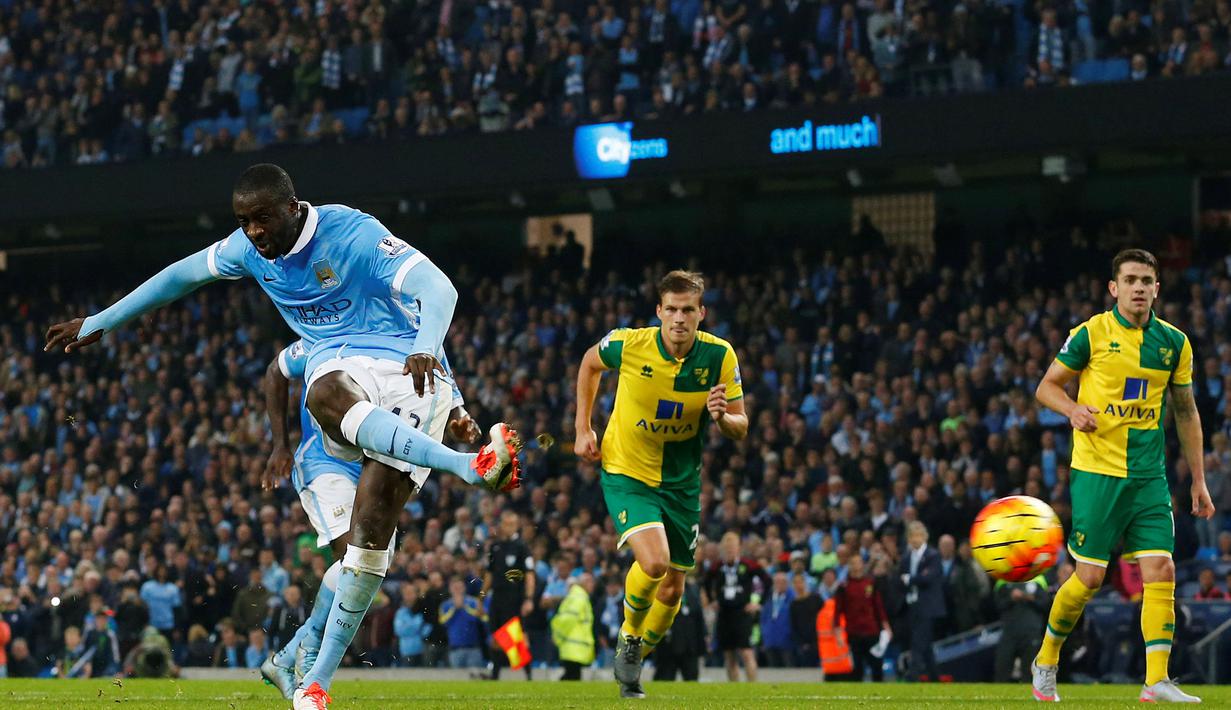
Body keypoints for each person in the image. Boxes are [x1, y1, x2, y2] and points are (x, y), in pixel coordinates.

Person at [43, 163, 523, 710]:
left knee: (367, 556)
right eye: (243, 222)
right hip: (337, 381)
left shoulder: (353, 233)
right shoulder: (250, 255)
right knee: (324, 394)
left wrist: (443, 378)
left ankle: (309, 678)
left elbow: (437, 287)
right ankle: (467, 467)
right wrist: (101, 320)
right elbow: (180, 275)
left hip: (403, 370)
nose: (252, 233)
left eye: (262, 219)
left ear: (292, 208)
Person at [1031, 249, 1215, 704]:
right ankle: (1047, 659)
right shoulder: (1091, 334)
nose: (1138, 287)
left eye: (1146, 280)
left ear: (1157, 288)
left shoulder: (1174, 343)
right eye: (1129, 279)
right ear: (1114, 288)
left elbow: (1187, 411)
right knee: (1090, 579)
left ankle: (1156, 680)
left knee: (1162, 568)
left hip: (1148, 475)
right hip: (1097, 472)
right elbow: (1045, 387)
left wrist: (1198, 479)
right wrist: (1073, 410)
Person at [259, 338, 477, 698]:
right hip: (323, 463)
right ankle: (307, 654)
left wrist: (459, 417)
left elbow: (445, 385)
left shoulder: (420, 337)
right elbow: (275, 372)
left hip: (374, 459)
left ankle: (288, 657)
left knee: (372, 560)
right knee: (355, 558)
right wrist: (280, 444)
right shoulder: (328, 334)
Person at [574, 269, 748, 698]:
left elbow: (741, 426)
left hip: (682, 484)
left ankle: (634, 661)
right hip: (627, 470)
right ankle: (630, 637)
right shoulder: (630, 344)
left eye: (688, 310)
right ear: (658, 312)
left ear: (701, 313)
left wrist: (722, 416)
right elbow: (589, 362)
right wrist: (583, 427)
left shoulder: (720, 357)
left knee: (673, 588)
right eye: (671, 309)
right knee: (654, 564)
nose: (679, 319)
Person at [704, 532, 770, 682]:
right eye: (727, 548)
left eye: (732, 548)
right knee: (729, 654)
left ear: (738, 548)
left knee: (746, 652)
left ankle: (752, 687)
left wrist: (758, 603)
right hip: (724, 613)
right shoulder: (717, 567)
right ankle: (735, 688)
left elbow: (767, 581)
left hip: (742, 613)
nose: (730, 551)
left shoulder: (748, 565)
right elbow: (706, 582)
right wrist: (712, 600)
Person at [482, 510, 536, 679]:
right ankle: (494, 676)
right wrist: (482, 595)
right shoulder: (495, 547)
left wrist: (528, 599)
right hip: (497, 598)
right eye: (505, 524)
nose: (508, 527)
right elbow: (489, 574)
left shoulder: (521, 547)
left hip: (515, 599)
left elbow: (529, 574)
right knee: (496, 637)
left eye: (512, 524)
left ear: (517, 526)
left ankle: (528, 676)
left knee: (518, 637)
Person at [899, 520, 944, 681]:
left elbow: (928, 578)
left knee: (918, 641)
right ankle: (935, 678)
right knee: (925, 645)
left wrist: (910, 579)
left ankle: (913, 675)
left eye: (918, 535)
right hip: (912, 604)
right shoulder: (906, 557)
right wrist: (913, 579)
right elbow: (902, 578)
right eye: (912, 536)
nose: (915, 539)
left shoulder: (933, 555)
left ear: (925, 537)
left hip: (928, 606)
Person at [833, 555, 890, 681]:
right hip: (854, 632)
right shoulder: (843, 586)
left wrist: (886, 627)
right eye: (853, 563)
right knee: (857, 667)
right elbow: (837, 611)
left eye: (858, 562)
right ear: (849, 566)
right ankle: (858, 696)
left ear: (862, 565)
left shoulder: (870, 583)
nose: (856, 566)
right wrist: (837, 632)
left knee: (876, 665)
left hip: (872, 630)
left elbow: (878, 606)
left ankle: (879, 695)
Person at [994, 575, 1049, 682]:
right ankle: (999, 697)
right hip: (1009, 632)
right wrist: (1011, 598)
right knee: (1002, 670)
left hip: (1031, 632)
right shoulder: (1003, 579)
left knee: (1030, 673)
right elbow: (996, 605)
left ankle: (1029, 697)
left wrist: (1028, 597)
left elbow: (1045, 604)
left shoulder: (1038, 578)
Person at [652, 576, 706, 680]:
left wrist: (702, 640)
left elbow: (698, 617)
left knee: (691, 679)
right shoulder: (661, 589)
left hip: (689, 645)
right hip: (668, 644)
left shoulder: (692, 590)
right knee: (664, 678)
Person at [550, 573, 596, 680]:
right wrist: (559, 637)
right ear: (583, 583)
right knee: (572, 676)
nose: (593, 585)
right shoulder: (579, 597)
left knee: (572, 675)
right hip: (574, 646)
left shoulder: (577, 596)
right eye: (590, 582)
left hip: (572, 646)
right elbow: (568, 619)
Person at [439, 577, 485, 669]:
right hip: (455, 649)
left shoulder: (474, 602)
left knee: (475, 679)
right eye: (455, 588)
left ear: (464, 588)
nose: (457, 590)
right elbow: (443, 622)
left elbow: (481, 618)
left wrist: (464, 607)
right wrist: (454, 609)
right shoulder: (445, 605)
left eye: (459, 588)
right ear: (450, 589)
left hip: (473, 648)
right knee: (457, 680)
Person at [759, 572, 795, 668]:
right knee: (773, 670)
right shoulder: (768, 598)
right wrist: (764, 637)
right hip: (770, 641)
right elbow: (763, 620)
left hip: (787, 642)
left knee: (789, 669)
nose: (780, 584)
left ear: (787, 583)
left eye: (783, 582)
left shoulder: (793, 599)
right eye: (777, 582)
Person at [393, 582, 430, 666]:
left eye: (411, 593)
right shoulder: (400, 612)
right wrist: (417, 626)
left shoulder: (423, 609)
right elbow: (399, 630)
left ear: (416, 594)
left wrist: (409, 627)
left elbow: (428, 630)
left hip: (423, 650)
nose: (409, 596)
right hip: (406, 651)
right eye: (406, 593)